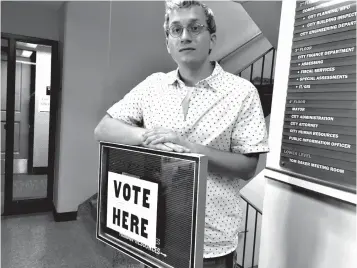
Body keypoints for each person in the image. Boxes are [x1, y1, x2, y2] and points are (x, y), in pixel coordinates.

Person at [94, 0, 269, 267]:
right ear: (168, 43)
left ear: (211, 39)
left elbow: (247, 167)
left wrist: (185, 145)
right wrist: (150, 138)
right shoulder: (152, 86)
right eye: (176, 30)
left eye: (195, 27)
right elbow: (103, 129)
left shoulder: (242, 93)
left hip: (210, 244)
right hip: (155, 232)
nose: (185, 36)